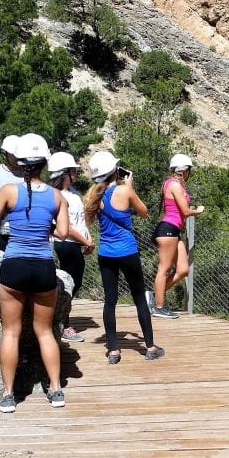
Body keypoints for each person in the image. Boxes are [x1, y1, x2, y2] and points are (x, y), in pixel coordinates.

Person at [0, 133, 68, 413]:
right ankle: (56, 390)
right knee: (45, 331)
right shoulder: (56, 196)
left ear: (19, 163)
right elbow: (63, 233)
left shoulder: (8, 191)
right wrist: (45, 223)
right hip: (43, 266)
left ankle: (8, 396)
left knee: (11, 332)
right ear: (44, 163)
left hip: (14, 265)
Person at [84, 150, 163, 364]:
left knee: (110, 301)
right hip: (127, 251)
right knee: (139, 298)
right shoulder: (124, 190)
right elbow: (144, 212)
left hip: (106, 253)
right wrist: (130, 187)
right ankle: (150, 347)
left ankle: (113, 351)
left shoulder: (95, 195)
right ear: (114, 171)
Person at [150, 154, 205, 319]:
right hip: (168, 229)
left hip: (173, 231)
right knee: (164, 269)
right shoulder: (174, 185)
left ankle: (154, 296)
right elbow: (185, 211)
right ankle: (158, 307)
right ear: (184, 170)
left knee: (182, 270)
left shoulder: (173, 184)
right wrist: (198, 211)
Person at [48, 152, 95, 343]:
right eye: (72, 170)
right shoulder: (55, 194)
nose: (76, 172)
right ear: (64, 173)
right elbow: (64, 227)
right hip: (65, 243)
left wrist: (88, 238)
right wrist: (85, 242)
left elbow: (80, 220)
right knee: (69, 284)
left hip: (76, 243)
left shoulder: (74, 192)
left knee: (76, 282)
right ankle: (63, 325)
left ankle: (60, 319)